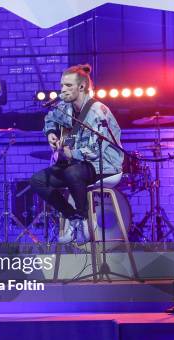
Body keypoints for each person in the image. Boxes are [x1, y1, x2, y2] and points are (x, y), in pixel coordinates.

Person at [29, 64, 124, 243]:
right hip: (77, 166)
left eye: (68, 86)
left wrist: (72, 153)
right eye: (62, 85)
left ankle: (85, 218)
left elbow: (96, 151)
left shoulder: (98, 112)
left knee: (72, 172)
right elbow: (50, 118)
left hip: (104, 166)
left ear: (81, 87)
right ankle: (73, 217)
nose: (62, 90)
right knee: (38, 180)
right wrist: (52, 133)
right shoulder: (64, 107)